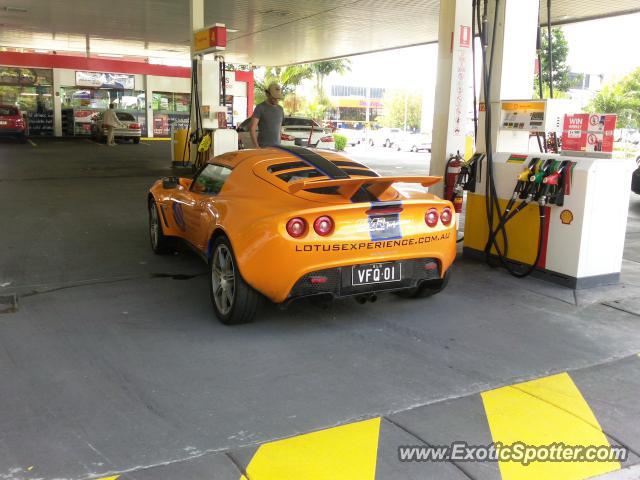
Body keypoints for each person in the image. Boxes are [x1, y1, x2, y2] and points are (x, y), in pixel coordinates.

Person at [250, 82, 284, 148]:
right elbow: (252, 128)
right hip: (263, 148)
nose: (276, 100)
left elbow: (279, 129)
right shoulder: (260, 107)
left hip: (277, 148)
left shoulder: (280, 109)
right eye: (274, 98)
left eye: (278, 98)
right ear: (267, 94)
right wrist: (256, 146)